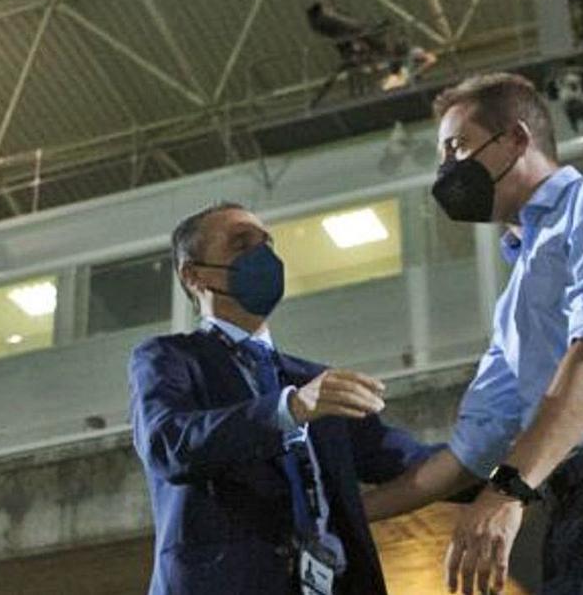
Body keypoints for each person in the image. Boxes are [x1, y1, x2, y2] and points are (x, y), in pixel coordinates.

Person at [363, 73, 583, 594]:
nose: (448, 170)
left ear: (515, 138)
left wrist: (508, 491)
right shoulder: (515, 301)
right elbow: (471, 451)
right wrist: (346, 514)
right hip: (572, 501)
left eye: (458, 147)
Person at [128, 202, 434, 594]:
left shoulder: (314, 381)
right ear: (194, 275)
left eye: (267, 244)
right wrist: (287, 409)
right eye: (241, 243)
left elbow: (408, 459)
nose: (263, 255)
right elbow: (168, 443)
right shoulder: (169, 358)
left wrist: (514, 468)